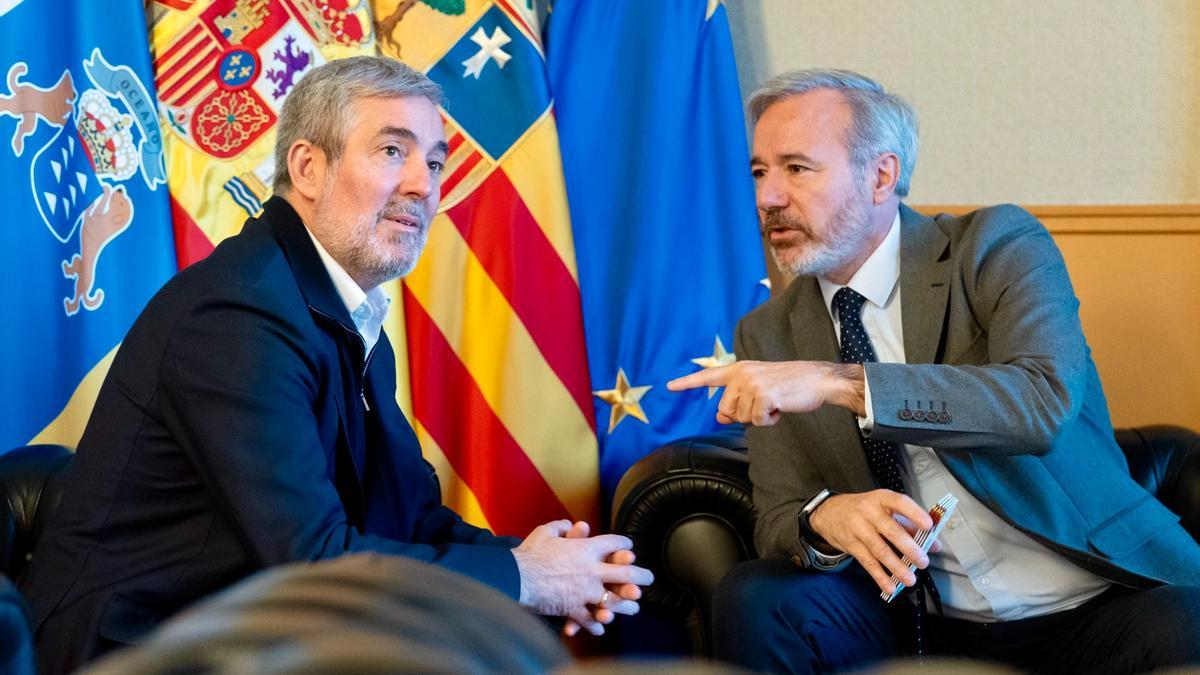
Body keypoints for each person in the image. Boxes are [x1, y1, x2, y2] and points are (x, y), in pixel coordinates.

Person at [21, 56, 651, 674]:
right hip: (136, 649)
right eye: (392, 151)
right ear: (307, 167)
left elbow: (406, 515)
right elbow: (313, 558)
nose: (423, 184)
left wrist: (558, 567)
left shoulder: (338, 306)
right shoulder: (237, 313)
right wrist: (525, 579)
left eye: (434, 162)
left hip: (254, 632)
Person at [668, 69, 1200, 673]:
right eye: (760, 172)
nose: (768, 197)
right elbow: (778, 514)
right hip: (920, 623)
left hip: (1096, 604)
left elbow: (1041, 403)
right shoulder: (767, 333)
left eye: (796, 168)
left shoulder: (995, 246)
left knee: (1189, 628)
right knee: (757, 595)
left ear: (881, 175)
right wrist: (824, 518)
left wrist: (840, 382)